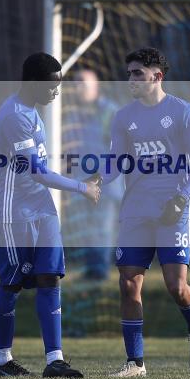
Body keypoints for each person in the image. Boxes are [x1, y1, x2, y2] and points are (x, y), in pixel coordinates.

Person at [0, 52, 101, 378]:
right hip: (13, 211)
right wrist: (82, 187)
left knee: (50, 276)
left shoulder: (33, 113)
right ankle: (1, 360)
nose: (56, 92)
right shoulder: (13, 115)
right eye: (51, 86)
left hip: (41, 208)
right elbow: (36, 172)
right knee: (12, 284)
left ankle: (55, 359)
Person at [100, 47, 190, 377]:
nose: (131, 79)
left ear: (157, 76)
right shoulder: (123, 117)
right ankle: (135, 363)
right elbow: (116, 163)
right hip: (136, 210)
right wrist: (93, 182)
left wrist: (183, 196)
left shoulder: (182, 112)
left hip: (172, 209)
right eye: (129, 73)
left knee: (176, 287)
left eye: (137, 73)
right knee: (129, 283)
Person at [62, 67, 123, 281]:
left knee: (102, 228)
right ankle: (92, 269)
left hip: (105, 185)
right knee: (87, 229)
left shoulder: (110, 112)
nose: (78, 87)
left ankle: (99, 271)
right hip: (81, 182)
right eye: (75, 82)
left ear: (95, 86)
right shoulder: (71, 115)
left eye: (83, 83)